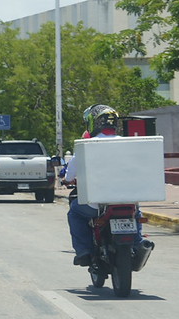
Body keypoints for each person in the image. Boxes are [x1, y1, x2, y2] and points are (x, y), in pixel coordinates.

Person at [63, 104, 149, 266]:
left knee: (75, 213)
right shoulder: (131, 144)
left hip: (97, 205)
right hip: (127, 201)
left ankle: (84, 251)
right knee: (136, 213)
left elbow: (70, 174)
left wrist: (67, 180)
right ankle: (138, 244)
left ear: (93, 123)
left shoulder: (86, 145)